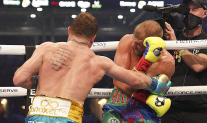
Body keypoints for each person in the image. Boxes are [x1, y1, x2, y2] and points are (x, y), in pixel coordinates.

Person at [13, 12, 170, 123]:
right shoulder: (98, 62)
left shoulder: (46, 48)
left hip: (37, 114)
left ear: (69, 30)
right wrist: (156, 85)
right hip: (69, 117)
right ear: (93, 38)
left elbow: (19, 79)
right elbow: (135, 80)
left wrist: (34, 82)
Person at [102, 20, 175, 123]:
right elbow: (118, 81)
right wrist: (146, 61)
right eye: (134, 41)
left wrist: (142, 89)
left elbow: (134, 87)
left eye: (139, 44)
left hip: (144, 109)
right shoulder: (127, 41)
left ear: (152, 44)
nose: (134, 46)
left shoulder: (166, 61)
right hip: (119, 102)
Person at [162, 0, 207, 123]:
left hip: (199, 108)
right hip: (170, 106)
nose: (189, 13)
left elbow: (198, 65)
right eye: (187, 10)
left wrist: (175, 44)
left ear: (205, 13)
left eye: (194, 10)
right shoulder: (171, 37)